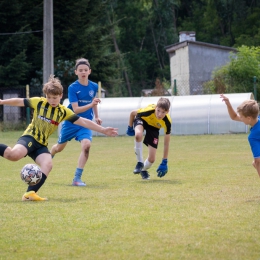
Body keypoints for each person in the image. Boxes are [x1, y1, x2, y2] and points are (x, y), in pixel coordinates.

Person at [0, 75, 118, 201]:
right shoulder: (39, 102)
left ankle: (30, 194)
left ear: (61, 96)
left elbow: (83, 121)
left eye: (55, 98)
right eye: (49, 97)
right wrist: (2, 102)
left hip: (41, 144)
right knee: (13, 155)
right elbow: (20, 101)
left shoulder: (63, 111)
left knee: (48, 164)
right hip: (30, 137)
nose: (52, 100)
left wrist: (103, 130)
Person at [50, 58, 101, 186]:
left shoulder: (94, 86)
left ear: (89, 71)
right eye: (80, 70)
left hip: (85, 123)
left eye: (85, 70)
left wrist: (97, 116)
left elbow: (93, 101)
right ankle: (49, 155)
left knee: (86, 146)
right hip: (71, 121)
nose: (83, 72)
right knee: (59, 148)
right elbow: (76, 109)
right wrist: (91, 104)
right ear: (76, 72)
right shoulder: (73, 87)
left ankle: (77, 179)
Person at [126, 97, 172, 180]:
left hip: (154, 127)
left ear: (167, 112)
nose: (160, 114)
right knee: (138, 135)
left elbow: (166, 143)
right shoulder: (148, 111)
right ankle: (140, 163)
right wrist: (130, 127)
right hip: (142, 120)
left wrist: (164, 161)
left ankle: (143, 170)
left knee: (152, 159)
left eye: (163, 112)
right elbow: (132, 113)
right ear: (155, 108)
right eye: (158, 110)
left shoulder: (167, 121)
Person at [220, 94, 260, 177]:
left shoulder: (253, 136)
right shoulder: (257, 119)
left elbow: (258, 160)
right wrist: (228, 104)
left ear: (249, 118)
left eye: (241, 117)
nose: (240, 118)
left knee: (256, 163)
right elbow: (234, 117)